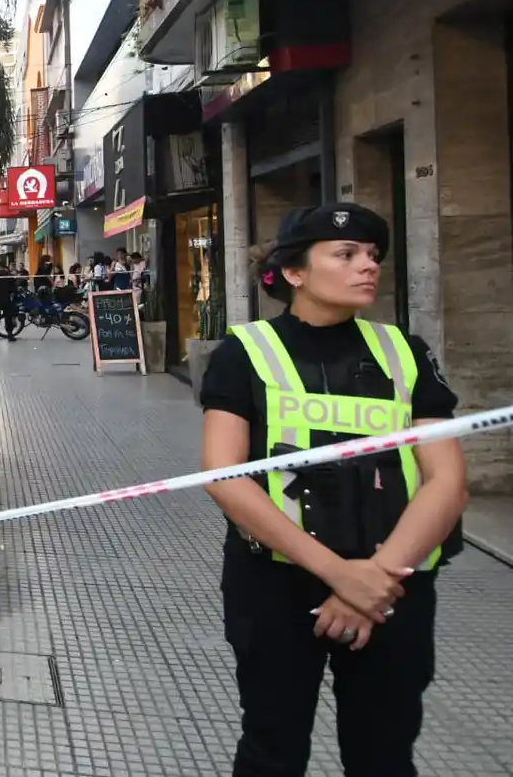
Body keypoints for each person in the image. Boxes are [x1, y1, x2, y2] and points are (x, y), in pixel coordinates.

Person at [198, 203, 468, 777]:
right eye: (345, 255)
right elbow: (224, 474)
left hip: (393, 588)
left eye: (372, 255)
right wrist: (339, 573)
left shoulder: (406, 354)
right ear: (295, 272)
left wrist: (374, 579)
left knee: (385, 754)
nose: (367, 266)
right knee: (273, 748)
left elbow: (447, 481)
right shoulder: (244, 353)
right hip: (276, 585)